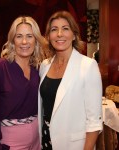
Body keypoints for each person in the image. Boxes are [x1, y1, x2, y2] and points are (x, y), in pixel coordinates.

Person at [38, 11, 103, 150]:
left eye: (65, 28)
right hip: (45, 139)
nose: (59, 34)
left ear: (74, 35)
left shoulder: (88, 66)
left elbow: (94, 121)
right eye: (54, 29)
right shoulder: (45, 65)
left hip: (73, 144)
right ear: (49, 36)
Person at [0, 16, 45, 150]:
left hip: (38, 138)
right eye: (19, 36)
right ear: (12, 41)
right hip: (11, 141)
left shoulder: (39, 68)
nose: (24, 41)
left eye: (29, 36)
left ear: (36, 40)